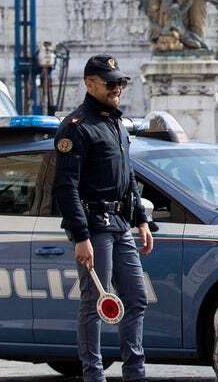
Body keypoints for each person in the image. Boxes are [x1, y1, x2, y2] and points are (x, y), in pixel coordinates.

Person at [53, 54, 155, 382]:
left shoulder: (115, 124)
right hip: (94, 226)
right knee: (96, 301)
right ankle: (93, 375)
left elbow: (127, 177)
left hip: (121, 226)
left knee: (136, 297)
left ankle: (134, 373)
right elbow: (65, 188)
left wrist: (140, 219)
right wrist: (80, 236)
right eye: (110, 83)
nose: (117, 89)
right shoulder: (76, 128)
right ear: (89, 83)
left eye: (120, 83)